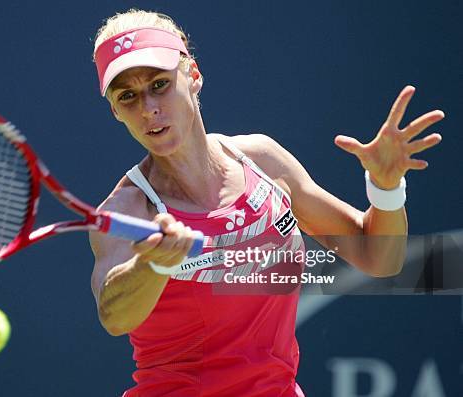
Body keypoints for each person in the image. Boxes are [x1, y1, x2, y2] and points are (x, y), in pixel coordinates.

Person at [89, 9, 443, 397]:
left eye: (159, 84)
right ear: (115, 111)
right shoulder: (127, 211)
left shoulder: (262, 160)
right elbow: (114, 315)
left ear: (192, 75)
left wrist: (386, 187)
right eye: (128, 97)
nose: (148, 109)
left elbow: (379, 257)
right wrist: (152, 263)